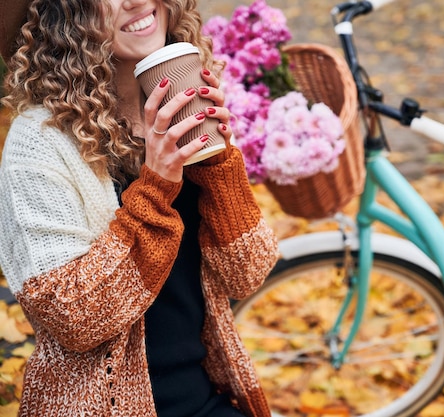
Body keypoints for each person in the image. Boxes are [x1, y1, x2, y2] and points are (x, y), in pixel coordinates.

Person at [0, 0, 280, 416]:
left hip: (205, 395)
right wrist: (157, 186)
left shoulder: (189, 104)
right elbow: (76, 319)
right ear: (67, 17)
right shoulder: (39, 142)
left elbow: (248, 273)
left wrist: (220, 165)